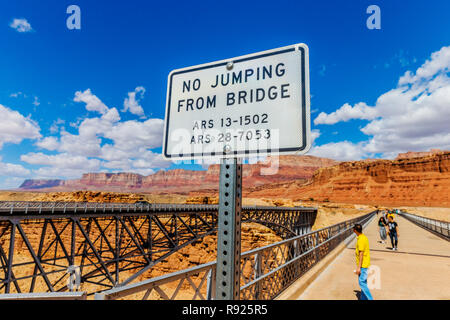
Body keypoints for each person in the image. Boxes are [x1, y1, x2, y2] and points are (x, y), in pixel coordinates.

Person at [353, 224, 373, 300]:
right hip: (365, 263)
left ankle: (370, 298)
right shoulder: (363, 237)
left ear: (355, 230)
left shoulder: (361, 239)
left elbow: (361, 254)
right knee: (364, 283)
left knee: (361, 282)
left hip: (363, 265)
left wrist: (359, 267)